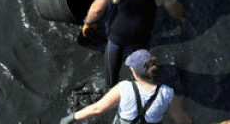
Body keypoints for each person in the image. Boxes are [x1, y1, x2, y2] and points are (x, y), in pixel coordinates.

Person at [59, 49, 192, 124]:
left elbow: (97, 109)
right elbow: (182, 120)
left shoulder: (124, 88)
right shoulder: (167, 93)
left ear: (134, 72)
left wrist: (72, 117)